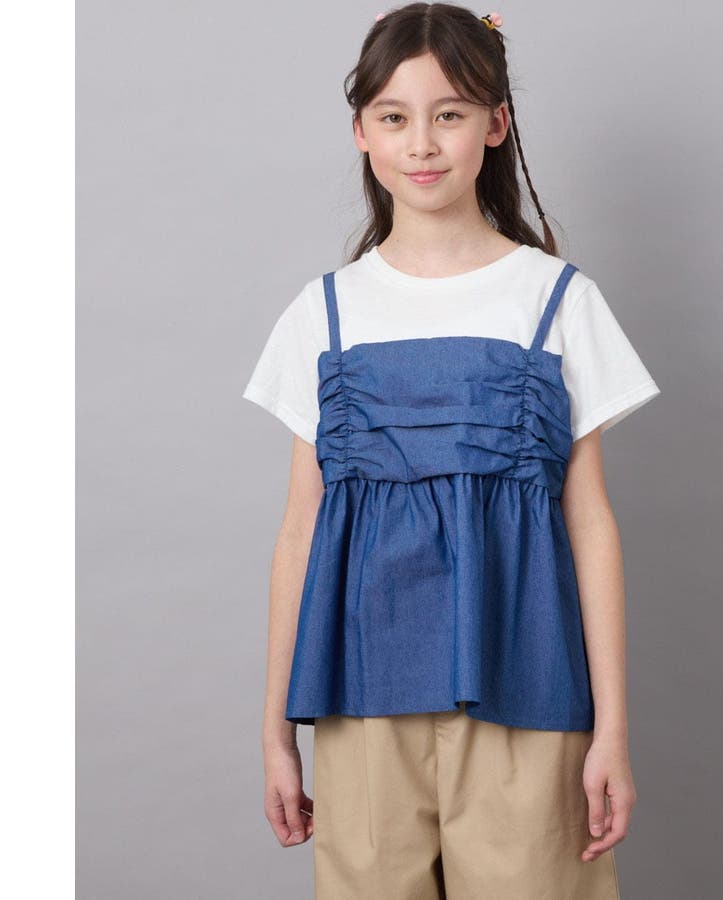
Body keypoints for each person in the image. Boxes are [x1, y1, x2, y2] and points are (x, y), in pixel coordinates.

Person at [242, 4, 661, 898]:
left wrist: (613, 731)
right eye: (394, 116)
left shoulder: (556, 300)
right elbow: (299, 531)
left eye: (450, 114)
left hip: (528, 689)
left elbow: (589, 522)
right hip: (361, 694)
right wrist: (275, 730)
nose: (422, 143)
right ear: (361, 132)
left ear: (495, 123)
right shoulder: (325, 313)